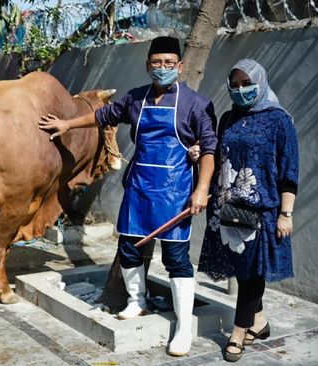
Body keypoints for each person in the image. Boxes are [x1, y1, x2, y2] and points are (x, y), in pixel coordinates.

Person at [39, 36, 217, 356]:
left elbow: (209, 150)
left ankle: (183, 326)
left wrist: (201, 189)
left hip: (175, 192)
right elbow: (102, 116)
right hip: (139, 188)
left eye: (168, 63)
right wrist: (67, 124)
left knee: (176, 258)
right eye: (156, 63)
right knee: (129, 249)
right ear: (148, 65)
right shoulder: (136, 98)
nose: (161, 68)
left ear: (179, 66)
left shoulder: (196, 104)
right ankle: (137, 301)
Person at [196, 59, 299, 362]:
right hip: (227, 209)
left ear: (260, 82)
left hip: (263, 210)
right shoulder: (227, 118)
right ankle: (260, 322)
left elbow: (289, 170)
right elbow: (217, 154)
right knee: (242, 272)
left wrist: (286, 213)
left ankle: (238, 333)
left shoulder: (279, 120)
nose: (240, 90)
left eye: (247, 83)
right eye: (235, 84)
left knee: (253, 273)